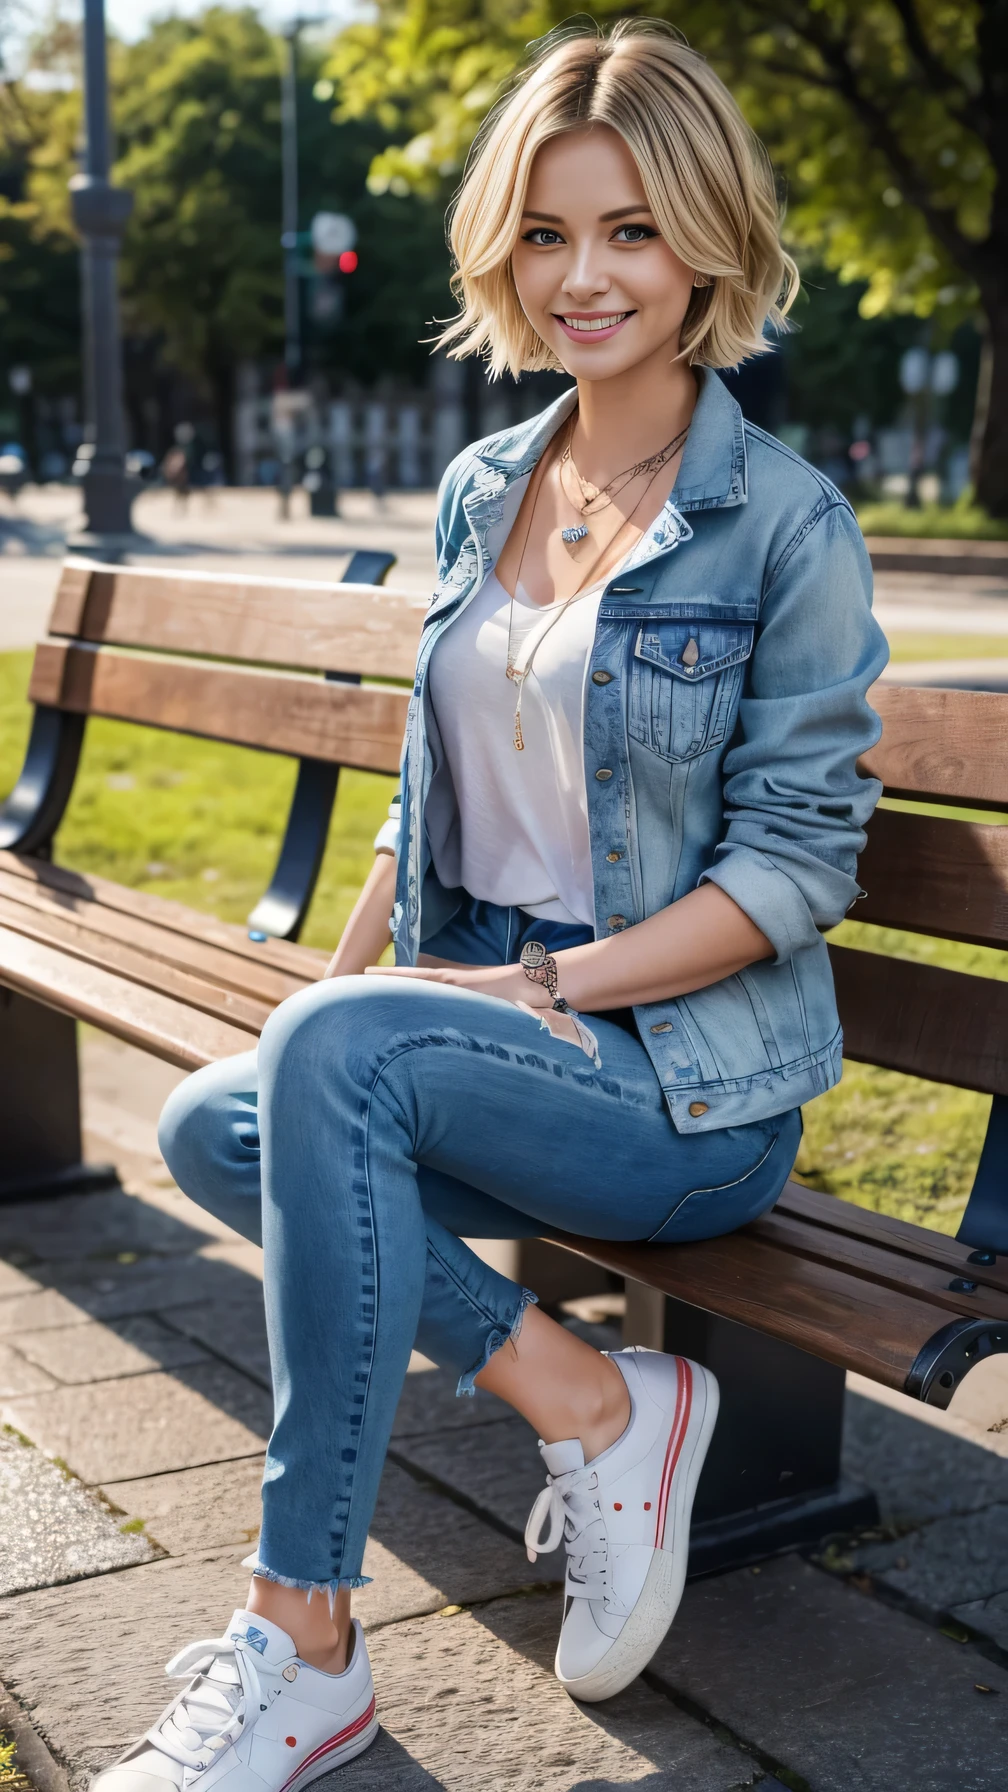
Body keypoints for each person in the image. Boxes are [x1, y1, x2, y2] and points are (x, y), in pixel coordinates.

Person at [94, 22, 887, 1791]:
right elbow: (421, 787)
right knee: (221, 1124)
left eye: (630, 230)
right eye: (546, 232)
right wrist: (337, 994)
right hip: (491, 1039)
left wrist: (561, 985)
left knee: (327, 1087)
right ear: (502, 250)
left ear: (708, 247)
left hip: (681, 1089)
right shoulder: (485, 486)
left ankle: (298, 1638)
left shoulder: (783, 526)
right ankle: (596, 1402)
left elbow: (794, 869)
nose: (586, 276)